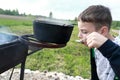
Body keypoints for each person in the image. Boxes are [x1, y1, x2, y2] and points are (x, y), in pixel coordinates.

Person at [77, 5, 120, 80]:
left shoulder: (117, 48)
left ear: (103, 31)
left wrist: (109, 48)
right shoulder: (95, 48)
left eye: (84, 31)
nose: (79, 35)